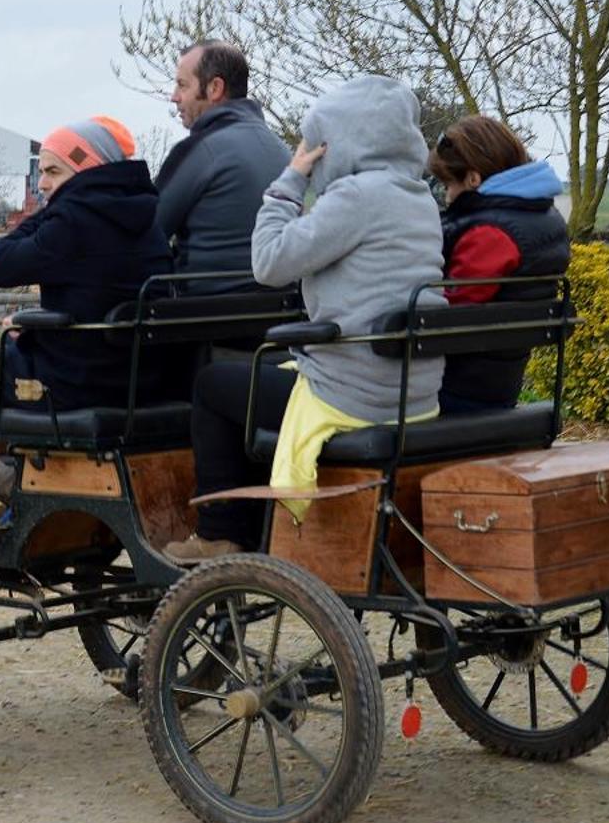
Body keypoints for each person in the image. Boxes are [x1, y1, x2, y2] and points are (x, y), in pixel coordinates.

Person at [171, 76, 446, 561]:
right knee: (267, 378)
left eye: (317, 139)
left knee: (214, 387)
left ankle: (221, 532)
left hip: (354, 392)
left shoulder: (356, 197)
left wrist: (290, 181)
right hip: (409, 389)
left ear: (339, 140)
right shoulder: (417, 196)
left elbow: (270, 264)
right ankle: (259, 523)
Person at [0, 116, 170, 528]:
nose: (43, 184)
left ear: (85, 169)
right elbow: (99, 296)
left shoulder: (73, 219)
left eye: (53, 171)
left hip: (69, 385)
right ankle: (15, 477)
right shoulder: (149, 219)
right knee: (9, 347)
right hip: (134, 382)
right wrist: (37, 326)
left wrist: (52, 209)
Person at [429, 115, 571, 414]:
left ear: (472, 178)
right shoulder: (544, 216)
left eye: (448, 184)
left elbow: (450, 309)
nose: (447, 195)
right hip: (499, 384)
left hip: (457, 390)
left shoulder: (491, 233)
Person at [155, 41, 291, 293]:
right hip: (279, 311)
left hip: (206, 313)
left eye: (182, 85)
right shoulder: (281, 149)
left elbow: (149, 232)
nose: (174, 97)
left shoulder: (201, 151)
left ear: (215, 88)